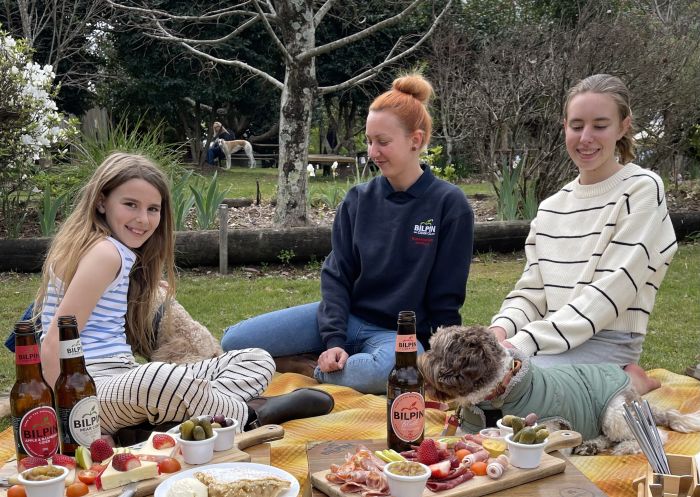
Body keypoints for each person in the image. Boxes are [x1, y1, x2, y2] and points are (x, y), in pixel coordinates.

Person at [34, 152, 333, 437]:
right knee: (159, 380)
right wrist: (64, 417)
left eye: (153, 209)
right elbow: (54, 342)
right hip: (89, 388)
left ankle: (170, 420)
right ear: (101, 202)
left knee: (256, 359)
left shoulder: (110, 249)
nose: (143, 219)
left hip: (124, 378)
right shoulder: (104, 252)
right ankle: (250, 415)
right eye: (130, 204)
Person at [221, 73, 475, 394]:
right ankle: (331, 360)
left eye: (383, 142)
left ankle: (307, 368)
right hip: (345, 318)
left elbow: (446, 298)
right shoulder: (358, 199)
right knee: (234, 342)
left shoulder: (449, 205)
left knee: (394, 369)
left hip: (395, 336)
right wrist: (334, 340)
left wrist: (440, 356)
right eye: (369, 141)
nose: (372, 152)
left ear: (416, 140)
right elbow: (338, 274)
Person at [489, 74, 677, 393]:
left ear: (623, 126)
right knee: (475, 388)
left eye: (600, 125)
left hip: (606, 342)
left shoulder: (642, 189)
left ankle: (624, 381)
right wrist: (499, 332)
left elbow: (611, 292)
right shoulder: (550, 208)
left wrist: (522, 344)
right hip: (549, 340)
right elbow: (532, 293)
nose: (586, 137)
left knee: (508, 392)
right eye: (577, 126)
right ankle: (616, 384)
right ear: (565, 127)